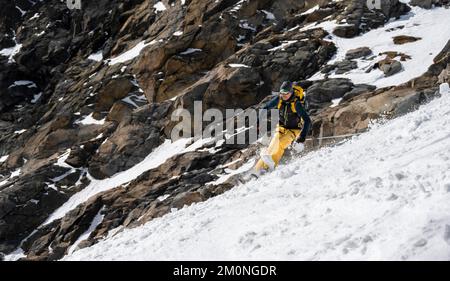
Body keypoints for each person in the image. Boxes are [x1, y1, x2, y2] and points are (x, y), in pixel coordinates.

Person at [255, 81, 311, 173]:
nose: (284, 95)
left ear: (291, 92)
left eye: (286, 93)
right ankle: (256, 171)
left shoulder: (296, 104)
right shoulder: (279, 99)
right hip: (281, 127)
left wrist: (301, 138)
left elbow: (307, 120)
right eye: (282, 93)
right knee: (272, 146)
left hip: (294, 130)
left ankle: (268, 168)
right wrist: (258, 122)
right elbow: (265, 108)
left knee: (280, 144)